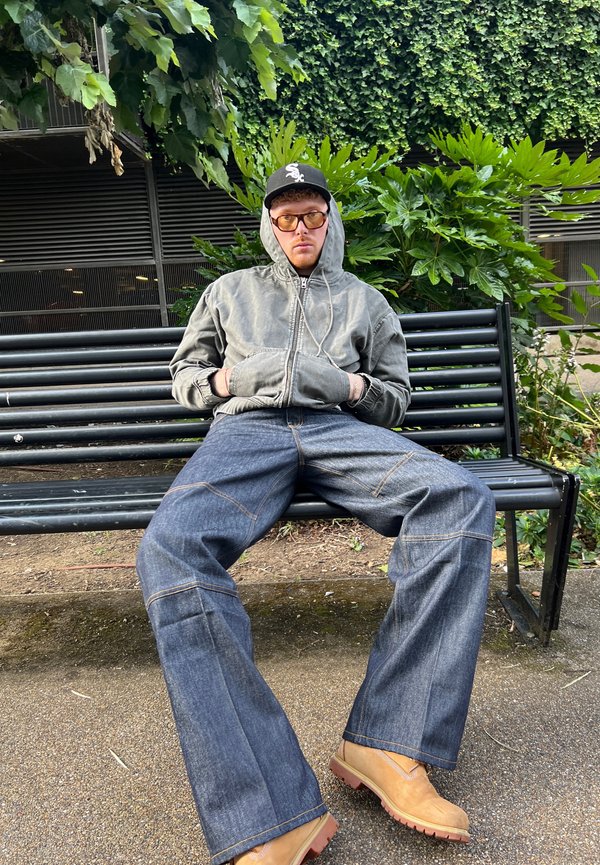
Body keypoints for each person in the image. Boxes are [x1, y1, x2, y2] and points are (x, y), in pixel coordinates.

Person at [136, 163, 496, 865]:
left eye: (312, 215)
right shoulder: (228, 292)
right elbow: (185, 377)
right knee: (169, 549)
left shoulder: (365, 300)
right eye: (285, 218)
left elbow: (394, 399)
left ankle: (389, 742)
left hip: (338, 431)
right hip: (246, 432)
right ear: (269, 227)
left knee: (460, 497)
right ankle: (268, 808)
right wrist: (230, 379)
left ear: (331, 221)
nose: (299, 229)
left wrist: (349, 385)